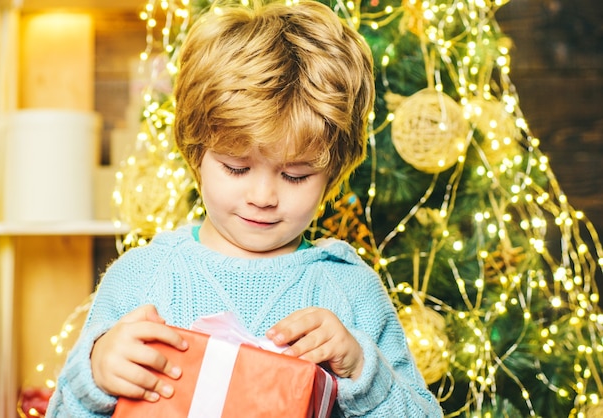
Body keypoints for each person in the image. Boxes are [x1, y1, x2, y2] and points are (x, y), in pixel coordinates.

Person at [46, 0, 443, 416]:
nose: (263, 197)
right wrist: (93, 379)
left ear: (332, 172)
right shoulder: (140, 280)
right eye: (237, 167)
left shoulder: (351, 290)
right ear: (196, 152)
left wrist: (365, 372)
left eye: (295, 176)